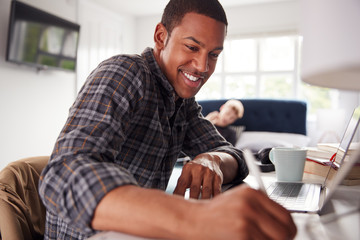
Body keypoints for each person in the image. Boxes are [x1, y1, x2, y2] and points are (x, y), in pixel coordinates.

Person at [38, 0, 297, 239]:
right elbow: (62, 173)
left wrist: (213, 160)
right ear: (161, 37)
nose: (203, 67)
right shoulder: (124, 72)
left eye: (214, 54)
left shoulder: (182, 103)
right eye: (192, 47)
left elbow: (233, 155)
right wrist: (195, 218)